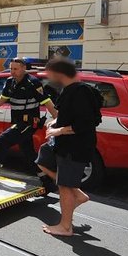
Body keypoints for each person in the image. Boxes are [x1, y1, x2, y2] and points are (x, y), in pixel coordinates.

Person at [35, 58, 103, 237]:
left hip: (74, 147)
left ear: (60, 74)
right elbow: (68, 115)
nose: (49, 78)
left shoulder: (80, 92)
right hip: (64, 145)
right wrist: (54, 122)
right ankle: (77, 194)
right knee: (43, 158)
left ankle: (66, 227)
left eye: (50, 75)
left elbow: (85, 124)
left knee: (64, 185)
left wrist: (58, 131)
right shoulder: (70, 90)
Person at [0, 59, 58, 185]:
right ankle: (46, 180)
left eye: (15, 69)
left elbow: (46, 101)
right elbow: (3, 98)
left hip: (29, 123)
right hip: (17, 121)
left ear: (23, 68)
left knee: (2, 140)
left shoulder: (32, 82)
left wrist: (57, 118)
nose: (12, 72)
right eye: (11, 69)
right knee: (28, 153)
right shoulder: (10, 81)